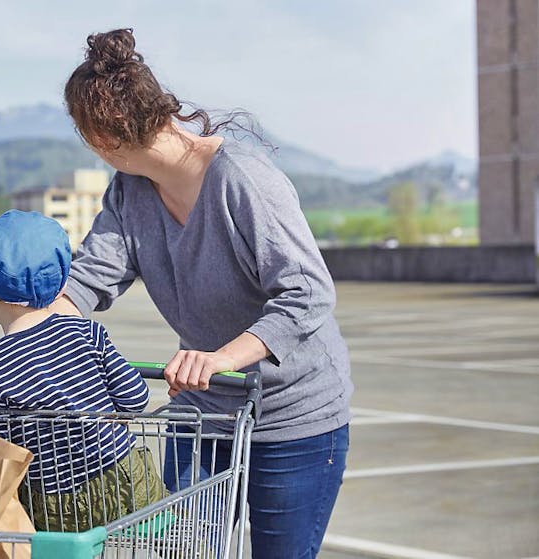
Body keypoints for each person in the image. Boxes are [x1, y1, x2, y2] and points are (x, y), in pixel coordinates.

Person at [49, 28, 352, 558]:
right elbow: (92, 275)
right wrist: (33, 331)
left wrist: (220, 358)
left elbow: (307, 291)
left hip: (293, 418)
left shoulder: (242, 180)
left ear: (103, 138)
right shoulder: (130, 190)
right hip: (204, 416)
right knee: (186, 551)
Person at [0, 209, 168, 532]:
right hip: (126, 484)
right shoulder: (88, 333)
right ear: (60, 287)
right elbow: (135, 399)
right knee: (167, 532)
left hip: (54, 508)